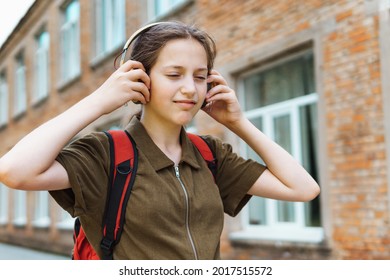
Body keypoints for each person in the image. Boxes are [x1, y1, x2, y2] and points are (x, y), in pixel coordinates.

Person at [0, 21, 320, 259]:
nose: (191, 90)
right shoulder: (105, 155)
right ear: (138, 76)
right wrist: (98, 102)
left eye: (200, 76)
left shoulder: (209, 155)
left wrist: (239, 122)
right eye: (174, 74)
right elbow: (14, 171)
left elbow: (303, 189)